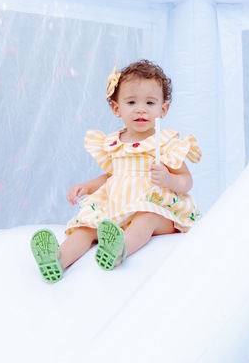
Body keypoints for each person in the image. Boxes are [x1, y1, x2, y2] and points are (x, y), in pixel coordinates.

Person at [30, 59, 201, 283]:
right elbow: (112, 176)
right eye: (132, 102)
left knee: (146, 217)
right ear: (117, 108)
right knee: (87, 227)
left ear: (163, 109)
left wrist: (169, 179)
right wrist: (88, 186)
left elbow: (186, 180)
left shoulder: (165, 143)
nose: (141, 109)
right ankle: (58, 259)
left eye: (150, 103)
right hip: (117, 207)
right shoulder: (114, 143)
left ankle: (119, 250)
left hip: (158, 208)